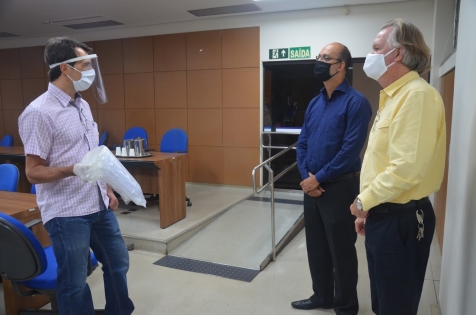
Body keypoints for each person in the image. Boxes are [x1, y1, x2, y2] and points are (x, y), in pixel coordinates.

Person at [18, 37, 134, 315]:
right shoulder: (38, 113)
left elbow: (92, 153)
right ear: (65, 69)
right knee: (74, 281)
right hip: (67, 213)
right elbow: (32, 173)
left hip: (97, 204)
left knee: (118, 263)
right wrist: (71, 170)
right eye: (84, 65)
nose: (90, 71)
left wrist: (106, 189)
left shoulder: (81, 104)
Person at [350, 19, 446, 315]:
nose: (371, 55)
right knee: (383, 301)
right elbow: (382, 161)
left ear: (399, 54)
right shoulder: (393, 97)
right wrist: (371, 209)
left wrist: (363, 201)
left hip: (402, 219)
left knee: (396, 306)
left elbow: (406, 169)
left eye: (377, 48)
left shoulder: (417, 96)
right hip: (384, 214)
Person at [293, 42, 372, 315]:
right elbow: (302, 144)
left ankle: (346, 306)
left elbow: (350, 150)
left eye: (326, 57)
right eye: (319, 57)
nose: (319, 61)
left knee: (341, 252)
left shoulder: (356, 102)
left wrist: (319, 179)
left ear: (341, 65)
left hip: (339, 188)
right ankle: (322, 296)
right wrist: (306, 178)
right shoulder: (315, 103)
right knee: (316, 247)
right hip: (312, 188)